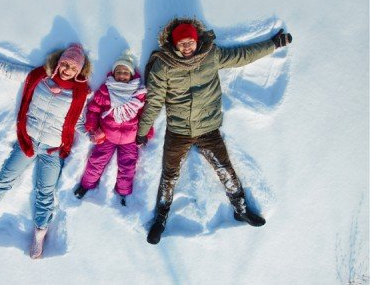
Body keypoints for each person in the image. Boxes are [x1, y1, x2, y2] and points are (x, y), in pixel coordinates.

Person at [136, 18, 292, 244]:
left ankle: (240, 208)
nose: (187, 46)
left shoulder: (211, 55)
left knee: (225, 168)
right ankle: (160, 219)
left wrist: (274, 44)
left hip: (208, 128)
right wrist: (143, 130)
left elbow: (242, 55)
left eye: (190, 42)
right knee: (169, 174)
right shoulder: (164, 66)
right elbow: (155, 100)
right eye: (182, 43)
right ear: (174, 44)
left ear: (197, 41)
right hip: (178, 131)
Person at [0, 44, 92, 258]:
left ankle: (39, 235)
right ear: (58, 61)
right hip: (27, 141)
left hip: (52, 149)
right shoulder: (39, 76)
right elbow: (6, 69)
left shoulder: (80, 94)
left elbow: (79, 122)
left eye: (72, 68)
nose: (67, 69)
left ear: (79, 71)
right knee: (4, 178)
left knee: (45, 192)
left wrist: (93, 134)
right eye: (65, 63)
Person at [74, 50, 152, 206]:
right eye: (119, 72)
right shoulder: (106, 90)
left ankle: (124, 192)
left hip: (130, 139)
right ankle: (86, 184)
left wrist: (146, 133)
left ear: (131, 75)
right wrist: (92, 126)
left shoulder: (138, 93)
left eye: (125, 72)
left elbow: (145, 115)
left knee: (127, 166)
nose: (122, 75)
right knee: (96, 161)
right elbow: (94, 109)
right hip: (107, 135)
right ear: (113, 74)